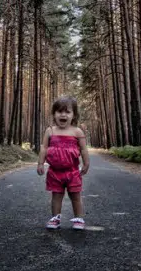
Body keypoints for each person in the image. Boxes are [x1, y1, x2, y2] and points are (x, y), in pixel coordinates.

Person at [37, 96, 90, 230]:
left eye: (67, 112)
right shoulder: (50, 130)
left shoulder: (77, 131)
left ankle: (78, 219)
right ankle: (55, 219)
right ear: (54, 114)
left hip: (72, 171)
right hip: (54, 172)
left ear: (74, 115)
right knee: (56, 196)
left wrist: (86, 163)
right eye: (59, 111)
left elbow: (83, 149)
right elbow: (44, 147)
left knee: (75, 195)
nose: (63, 114)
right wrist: (40, 163)